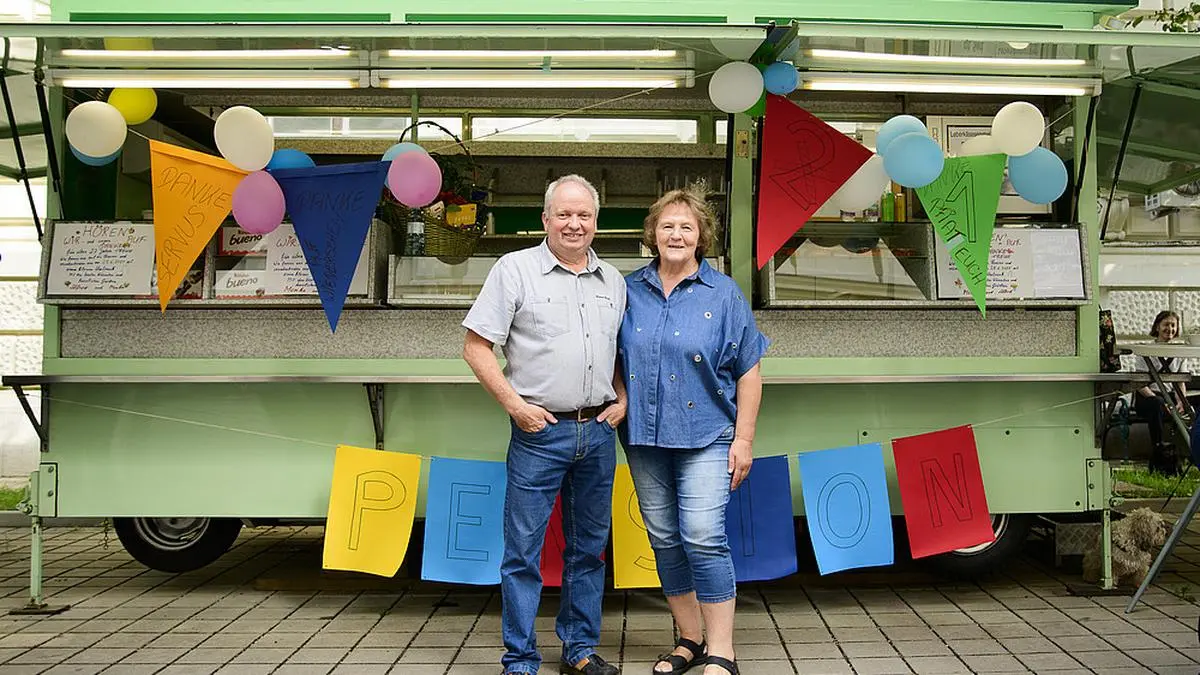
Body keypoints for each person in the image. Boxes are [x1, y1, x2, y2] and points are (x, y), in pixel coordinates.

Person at [462, 174, 627, 675]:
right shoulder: (514, 270)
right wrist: (514, 405)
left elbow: (619, 352)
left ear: (596, 222)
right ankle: (520, 658)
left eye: (584, 215)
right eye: (564, 214)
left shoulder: (614, 281)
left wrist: (624, 397)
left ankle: (579, 650)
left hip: (597, 433)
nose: (574, 224)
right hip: (539, 432)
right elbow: (475, 345)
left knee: (589, 552)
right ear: (545, 219)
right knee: (523, 553)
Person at [617, 188, 768, 675]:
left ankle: (722, 649)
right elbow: (609, 356)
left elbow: (749, 370)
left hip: (707, 433)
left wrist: (743, 439)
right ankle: (689, 640)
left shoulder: (723, 294)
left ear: (702, 236)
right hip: (644, 435)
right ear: (652, 234)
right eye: (667, 226)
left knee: (703, 535)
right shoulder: (627, 290)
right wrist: (619, 398)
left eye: (686, 226)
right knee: (663, 537)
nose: (676, 234)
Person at [1133, 310, 1190, 475]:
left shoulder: (1180, 353)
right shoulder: (1145, 351)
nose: (1170, 329)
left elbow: (1180, 381)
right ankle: (1158, 448)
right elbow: (1140, 384)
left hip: (1169, 397)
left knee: (1188, 409)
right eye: (1166, 324)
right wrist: (1161, 401)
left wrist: (1182, 401)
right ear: (1157, 326)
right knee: (1156, 405)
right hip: (1148, 397)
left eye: (1173, 325)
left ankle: (1183, 455)